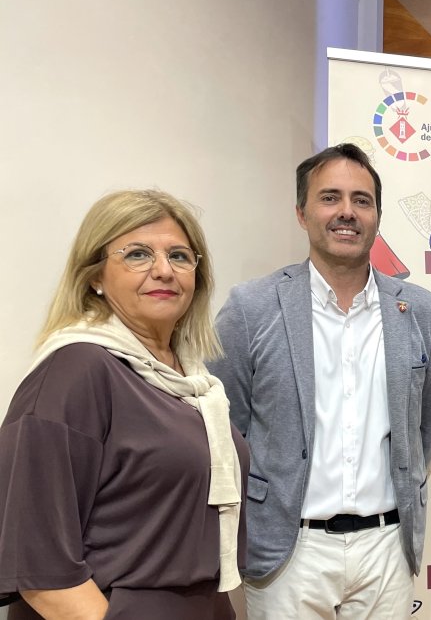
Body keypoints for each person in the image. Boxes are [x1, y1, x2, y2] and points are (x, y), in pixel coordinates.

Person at [208, 143, 431, 619]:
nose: (347, 212)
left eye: (361, 200)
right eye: (330, 198)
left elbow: (428, 423)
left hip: (386, 546)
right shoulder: (251, 309)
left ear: (377, 215)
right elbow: (223, 429)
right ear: (302, 212)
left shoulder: (422, 312)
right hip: (288, 550)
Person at [0, 190, 247, 619]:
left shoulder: (197, 385)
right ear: (95, 276)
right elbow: (39, 568)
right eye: (137, 254)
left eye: (180, 256)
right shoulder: (75, 370)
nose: (164, 271)